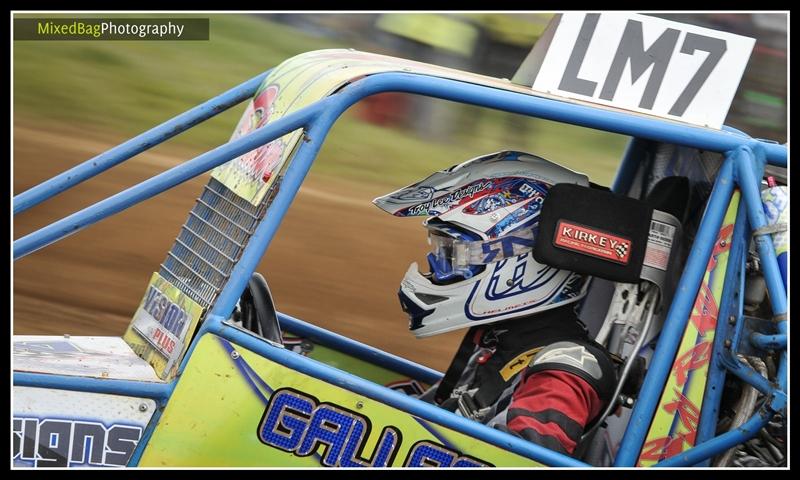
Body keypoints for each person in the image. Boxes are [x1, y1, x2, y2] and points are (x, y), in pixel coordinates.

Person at [373, 150, 617, 457]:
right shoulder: (499, 342)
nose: (437, 263)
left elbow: (517, 461)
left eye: (454, 252)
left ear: (520, 263)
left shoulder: (563, 373)